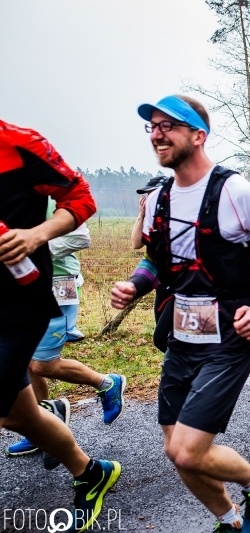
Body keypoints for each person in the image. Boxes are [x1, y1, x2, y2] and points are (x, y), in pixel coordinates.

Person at [112, 95, 250, 533]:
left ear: (198, 136)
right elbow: (156, 263)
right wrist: (134, 285)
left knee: (188, 450)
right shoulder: (159, 196)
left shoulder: (235, 191)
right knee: (174, 449)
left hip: (230, 337)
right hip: (182, 336)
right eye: (152, 127)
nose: (157, 134)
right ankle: (229, 519)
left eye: (168, 126)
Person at [0, 118, 121, 532]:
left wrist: (37, 236)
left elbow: (82, 198)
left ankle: (105, 384)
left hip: (20, 302)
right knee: (20, 414)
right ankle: (90, 472)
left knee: (34, 375)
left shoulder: (19, 144)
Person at [6, 200, 126, 461]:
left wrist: (33, 248)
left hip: (58, 287)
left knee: (41, 365)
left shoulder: (45, 198)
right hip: (21, 290)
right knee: (23, 362)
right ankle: (40, 427)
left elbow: (81, 237)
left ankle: (107, 384)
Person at [132, 175, 172, 352]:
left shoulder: (176, 217)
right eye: (147, 195)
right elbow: (136, 244)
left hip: (180, 289)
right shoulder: (151, 219)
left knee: (160, 338)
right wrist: (141, 215)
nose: (148, 198)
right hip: (161, 288)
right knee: (165, 338)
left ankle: (190, 369)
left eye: (152, 193)